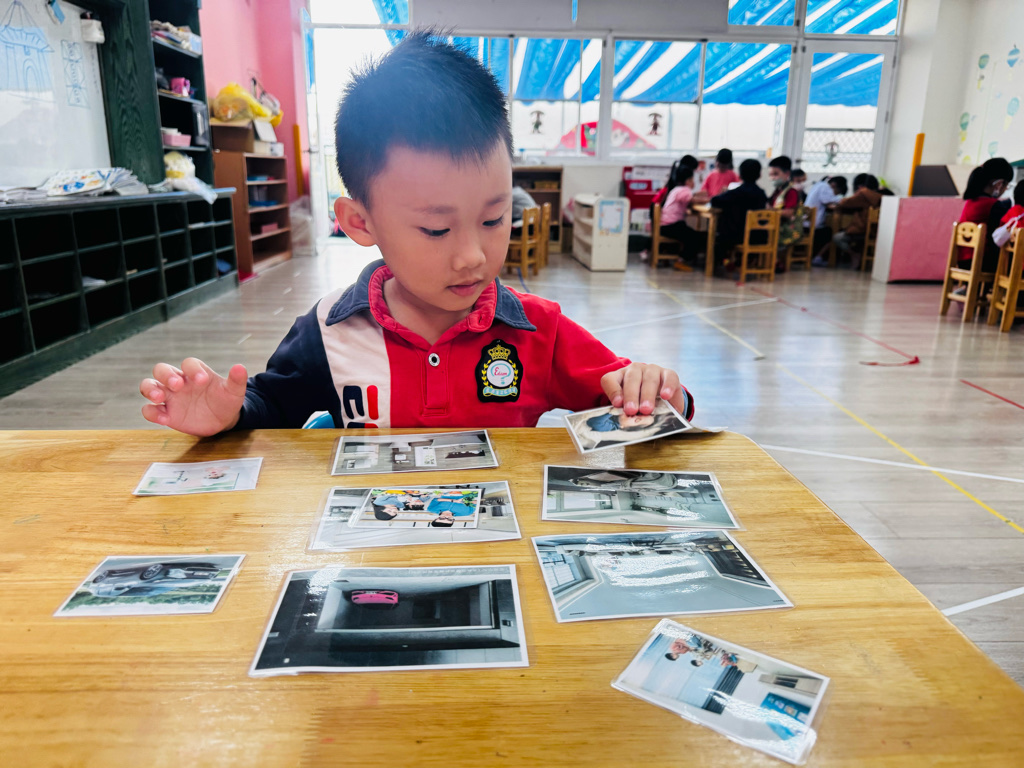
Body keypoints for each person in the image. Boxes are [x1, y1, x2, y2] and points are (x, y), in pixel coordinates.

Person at [138, 30, 694, 435]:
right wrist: (227, 416)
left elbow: (646, 403)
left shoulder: (538, 333)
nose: (473, 256)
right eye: (435, 229)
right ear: (360, 222)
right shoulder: (329, 332)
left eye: (494, 219)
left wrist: (658, 389)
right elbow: (271, 408)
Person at [709, 158, 768, 272]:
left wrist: (723, 193)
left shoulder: (736, 193)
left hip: (736, 236)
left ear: (739, 175)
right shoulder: (761, 194)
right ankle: (747, 260)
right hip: (758, 236)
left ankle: (723, 261)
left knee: (718, 238)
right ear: (760, 175)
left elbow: (714, 201)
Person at [958, 158, 1014, 272]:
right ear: (999, 184)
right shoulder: (993, 205)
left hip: (964, 260)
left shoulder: (971, 201)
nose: (1005, 189)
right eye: (1006, 185)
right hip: (982, 262)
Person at [818, 173, 882, 268]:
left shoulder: (863, 193)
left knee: (837, 237)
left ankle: (854, 255)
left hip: (862, 230)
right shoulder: (879, 196)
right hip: (877, 232)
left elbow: (844, 203)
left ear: (859, 186)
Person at [658, 165, 702, 265]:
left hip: (664, 225)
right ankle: (682, 259)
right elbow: (692, 200)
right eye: (692, 179)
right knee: (695, 237)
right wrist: (708, 200)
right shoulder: (685, 190)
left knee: (687, 231)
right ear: (688, 181)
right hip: (671, 225)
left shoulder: (676, 189)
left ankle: (677, 257)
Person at [767, 156, 805, 264]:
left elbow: (789, 213)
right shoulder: (777, 191)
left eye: (776, 174)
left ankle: (775, 262)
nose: (772, 178)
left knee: (765, 233)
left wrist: (770, 210)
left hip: (789, 228)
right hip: (779, 225)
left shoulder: (791, 191)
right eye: (770, 174)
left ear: (787, 173)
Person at [807, 176, 847, 265]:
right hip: (813, 225)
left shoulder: (818, 185)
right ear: (834, 185)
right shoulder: (825, 187)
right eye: (836, 192)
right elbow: (831, 202)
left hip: (808, 222)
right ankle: (818, 258)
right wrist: (841, 199)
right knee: (833, 233)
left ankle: (817, 257)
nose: (834, 195)